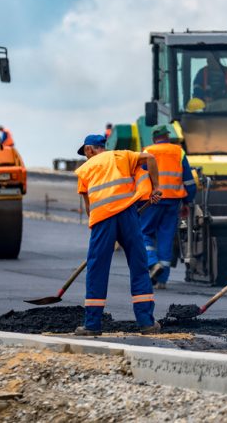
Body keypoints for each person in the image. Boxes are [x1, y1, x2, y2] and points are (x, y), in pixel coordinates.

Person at [74, 134, 163, 336]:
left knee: (97, 269)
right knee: (139, 266)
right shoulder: (122, 156)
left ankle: (92, 325)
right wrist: (156, 187)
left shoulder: (85, 170)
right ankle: (147, 323)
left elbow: (89, 208)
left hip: (103, 219)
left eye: (85, 153)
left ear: (89, 150)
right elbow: (149, 158)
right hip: (128, 215)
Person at [140, 126, 196, 289]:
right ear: (167, 136)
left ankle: (152, 262)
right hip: (173, 201)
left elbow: (140, 177)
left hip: (151, 200)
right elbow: (189, 182)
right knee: (166, 238)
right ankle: (162, 280)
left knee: (143, 233)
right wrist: (187, 201)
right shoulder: (179, 152)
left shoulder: (147, 151)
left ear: (154, 138)